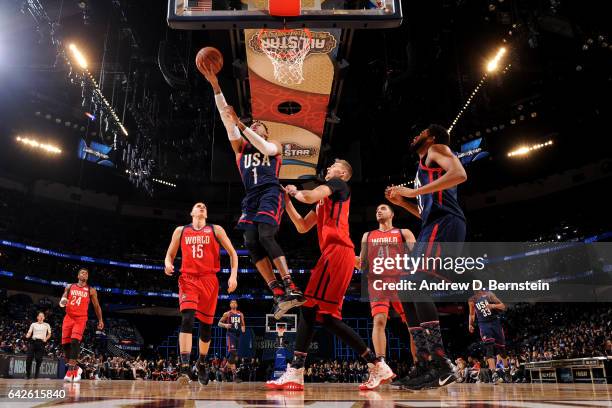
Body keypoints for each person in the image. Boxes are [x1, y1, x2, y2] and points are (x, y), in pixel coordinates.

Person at [200, 65, 304, 319]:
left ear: (266, 133)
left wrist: (241, 123)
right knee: (249, 242)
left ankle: (290, 285)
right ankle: (278, 293)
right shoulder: (240, 149)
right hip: (251, 196)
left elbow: (265, 148)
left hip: (270, 191)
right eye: (253, 124)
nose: (256, 125)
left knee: (266, 236)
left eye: (260, 125)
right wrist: (215, 85)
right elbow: (227, 120)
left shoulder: (274, 146)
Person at [266, 159, 379, 391]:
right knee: (325, 317)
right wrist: (287, 200)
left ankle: (296, 371)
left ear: (343, 174)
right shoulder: (324, 200)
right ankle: (375, 364)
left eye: (334, 166)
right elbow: (301, 226)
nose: (329, 169)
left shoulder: (338, 184)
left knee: (308, 308)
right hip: (338, 254)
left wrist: (296, 191)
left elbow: (308, 196)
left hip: (337, 252)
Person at [386, 124, 467, 390]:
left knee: (416, 284)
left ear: (431, 136)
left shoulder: (436, 149)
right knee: (406, 289)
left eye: (420, 131)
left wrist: (414, 192)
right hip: (432, 225)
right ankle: (425, 363)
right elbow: (425, 214)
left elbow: (460, 173)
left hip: (445, 224)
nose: (415, 134)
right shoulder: (425, 164)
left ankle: (442, 364)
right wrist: (404, 204)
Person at [164, 202, 239, 385]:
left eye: (204, 206)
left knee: (206, 328)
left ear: (206, 213)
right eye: (198, 206)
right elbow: (170, 255)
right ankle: (184, 366)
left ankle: (202, 362)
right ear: (192, 212)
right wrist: (167, 264)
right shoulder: (181, 231)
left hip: (209, 280)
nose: (201, 207)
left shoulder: (216, 229)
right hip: (188, 279)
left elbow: (233, 253)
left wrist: (233, 276)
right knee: (187, 319)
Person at [356, 203, 417, 389]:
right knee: (379, 322)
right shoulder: (368, 235)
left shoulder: (403, 232)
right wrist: (347, 258)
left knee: (413, 326)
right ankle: (381, 364)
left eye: (382, 208)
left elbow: (418, 258)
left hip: (401, 280)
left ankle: (419, 368)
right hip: (378, 282)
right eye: (376, 209)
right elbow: (363, 264)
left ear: (392, 213)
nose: (378, 211)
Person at [59, 268, 104, 382]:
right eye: (82, 272)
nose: (84, 274)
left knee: (75, 341)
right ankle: (77, 368)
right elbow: (64, 297)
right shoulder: (69, 286)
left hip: (80, 319)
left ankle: (70, 371)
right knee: (65, 345)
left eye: (86, 273)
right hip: (68, 317)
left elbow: (97, 307)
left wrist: (100, 320)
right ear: (78, 276)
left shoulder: (91, 290)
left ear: (87, 277)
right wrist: (63, 300)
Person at [469, 290, 509, 383]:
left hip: (495, 323)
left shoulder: (489, 295)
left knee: (502, 350)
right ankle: (494, 373)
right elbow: (471, 314)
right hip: (483, 325)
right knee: (489, 348)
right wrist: (470, 324)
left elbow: (503, 306)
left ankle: (507, 371)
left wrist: (493, 305)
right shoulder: (471, 299)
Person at [218, 299, 246, 382]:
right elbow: (219, 323)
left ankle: (225, 370)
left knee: (234, 356)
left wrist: (243, 329)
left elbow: (243, 324)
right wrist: (225, 325)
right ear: (230, 305)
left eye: (235, 302)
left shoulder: (240, 314)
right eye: (232, 302)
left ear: (237, 305)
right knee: (233, 353)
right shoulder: (227, 313)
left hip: (238, 335)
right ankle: (233, 375)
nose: (233, 304)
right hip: (230, 335)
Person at [25, 311, 51, 379]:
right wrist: (28, 335)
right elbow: (29, 332)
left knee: (38, 359)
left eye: (42, 316)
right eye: (40, 315)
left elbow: (49, 334)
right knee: (29, 359)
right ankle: (28, 375)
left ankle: (36, 374)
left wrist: (46, 338)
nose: (41, 317)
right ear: (37, 317)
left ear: (44, 318)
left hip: (41, 343)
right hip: (33, 342)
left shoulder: (47, 325)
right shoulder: (33, 324)